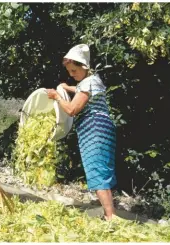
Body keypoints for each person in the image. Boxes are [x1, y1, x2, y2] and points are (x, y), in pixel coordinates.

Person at [46, 44, 118, 221]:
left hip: (95, 131)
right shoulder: (93, 80)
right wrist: (67, 87)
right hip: (102, 130)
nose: (71, 74)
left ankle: (110, 218)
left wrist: (57, 96)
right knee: (103, 170)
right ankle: (110, 213)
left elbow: (71, 109)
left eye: (74, 70)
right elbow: (81, 91)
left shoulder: (88, 82)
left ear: (84, 67)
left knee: (96, 172)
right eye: (69, 71)